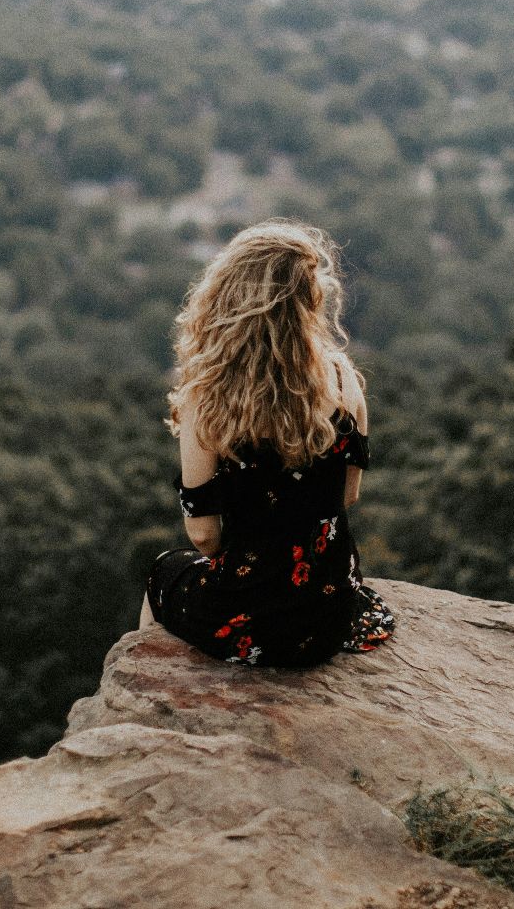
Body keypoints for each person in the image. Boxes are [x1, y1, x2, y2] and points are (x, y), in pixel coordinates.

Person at [140, 220, 396, 667]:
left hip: (247, 615)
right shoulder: (343, 380)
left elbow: (203, 536)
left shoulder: (209, 395)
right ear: (310, 301)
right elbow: (348, 495)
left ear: (228, 298)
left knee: (162, 572)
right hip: (327, 615)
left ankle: (148, 688)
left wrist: (253, 557)